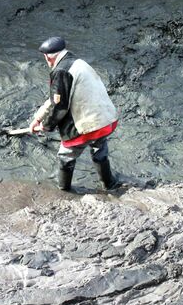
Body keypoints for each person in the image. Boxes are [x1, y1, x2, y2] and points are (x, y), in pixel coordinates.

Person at [29, 37, 120, 191]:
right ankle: (109, 184)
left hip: (88, 125)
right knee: (99, 149)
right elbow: (54, 99)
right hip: (106, 119)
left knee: (66, 154)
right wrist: (38, 118)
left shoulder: (61, 72)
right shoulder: (78, 63)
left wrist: (46, 125)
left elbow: (60, 106)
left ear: (47, 57)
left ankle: (63, 189)